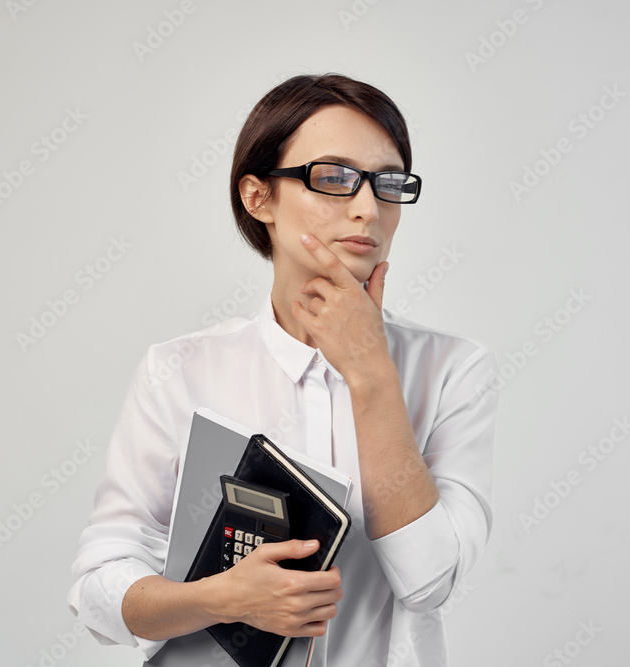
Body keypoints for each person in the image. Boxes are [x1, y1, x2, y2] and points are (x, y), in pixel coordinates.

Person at [67, 73, 499, 666]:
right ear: (258, 197)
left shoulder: (451, 369)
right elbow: (99, 586)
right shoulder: (180, 371)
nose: (369, 208)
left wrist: (371, 373)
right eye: (334, 177)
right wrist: (220, 598)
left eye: (388, 183)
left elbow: (427, 582)